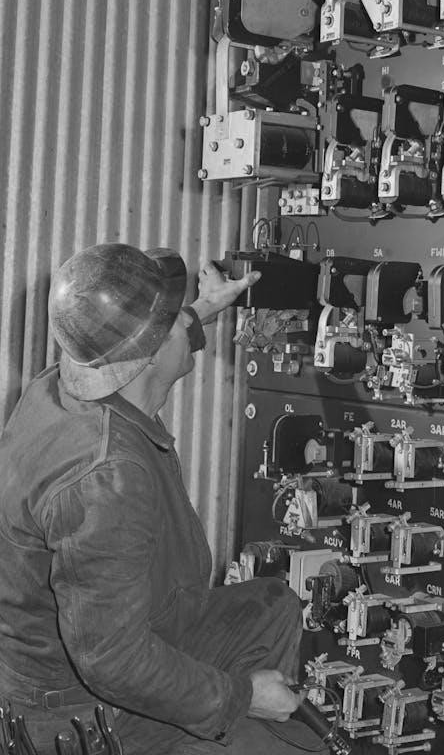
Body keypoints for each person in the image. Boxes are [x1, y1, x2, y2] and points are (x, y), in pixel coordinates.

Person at [0, 243, 318, 755]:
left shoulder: (68, 384)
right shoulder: (106, 477)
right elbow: (112, 661)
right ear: (150, 353)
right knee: (297, 746)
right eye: (173, 319)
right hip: (81, 718)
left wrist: (203, 310)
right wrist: (240, 697)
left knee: (274, 607)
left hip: (95, 650)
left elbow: (145, 343)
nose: (183, 324)